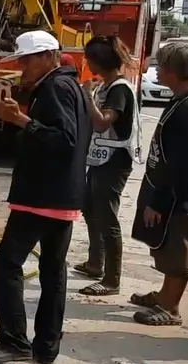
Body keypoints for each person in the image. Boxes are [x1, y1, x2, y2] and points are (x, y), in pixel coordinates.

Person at [0, 30, 89, 364]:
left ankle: (13, 341)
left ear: (47, 56)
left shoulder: (55, 88)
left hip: (41, 195)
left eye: (26, 60)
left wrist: (20, 119)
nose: (22, 67)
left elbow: (64, 141)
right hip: (62, 196)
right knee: (53, 270)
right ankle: (46, 346)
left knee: (7, 264)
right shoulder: (71, 86)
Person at [74, 36, 141, 296]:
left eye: (88, 58)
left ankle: (112, 280)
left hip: (115, 161)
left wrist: (87, 96)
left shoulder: (119, 89)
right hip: (100, 158)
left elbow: (103, 122)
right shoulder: (106, 85)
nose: (86, 62)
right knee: (90, 208)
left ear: (97, 61)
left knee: (107, 216)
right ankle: (95, 262)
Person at [130, 41, 188, 326]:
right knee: (166, 246)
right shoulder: (178, 100)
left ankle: (171, 308)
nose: (157, 72)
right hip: (170, 191)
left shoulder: (186, 108)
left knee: (177, 250)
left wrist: (160, 201)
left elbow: (180, 163)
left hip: (179, 196)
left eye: (161, 66)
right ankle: (165, 295)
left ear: (175, 71)